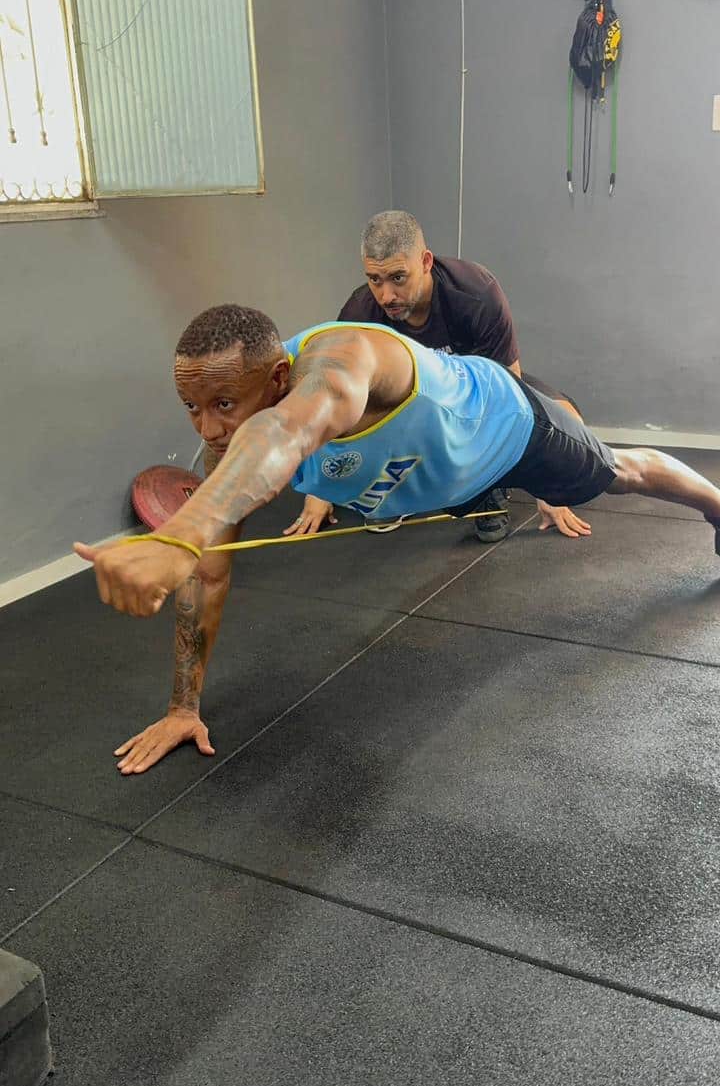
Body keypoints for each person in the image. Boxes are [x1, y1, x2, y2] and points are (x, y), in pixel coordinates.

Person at [75, 305, 720, 776]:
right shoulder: (232, 449)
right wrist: (183, 707)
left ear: (277, 379)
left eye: (223, 403)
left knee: (621, 473)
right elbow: (209, 575)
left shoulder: (344, 357)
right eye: (191, 406)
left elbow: (288, 434)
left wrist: (179, 533)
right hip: (441, 478)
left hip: (507, 429)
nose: (209, 427)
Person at [286, 210, 590, 543]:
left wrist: (548, 482)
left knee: (567, 418)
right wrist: (321, 490)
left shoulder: (476, 293)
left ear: (426, 262)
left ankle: (486, 490)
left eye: (398, 278)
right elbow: (332, 406)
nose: (386, 295)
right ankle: (400, 491)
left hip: (476, 398)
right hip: (407, 414)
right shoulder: (359, 316)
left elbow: (509, 393)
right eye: (375, 279)